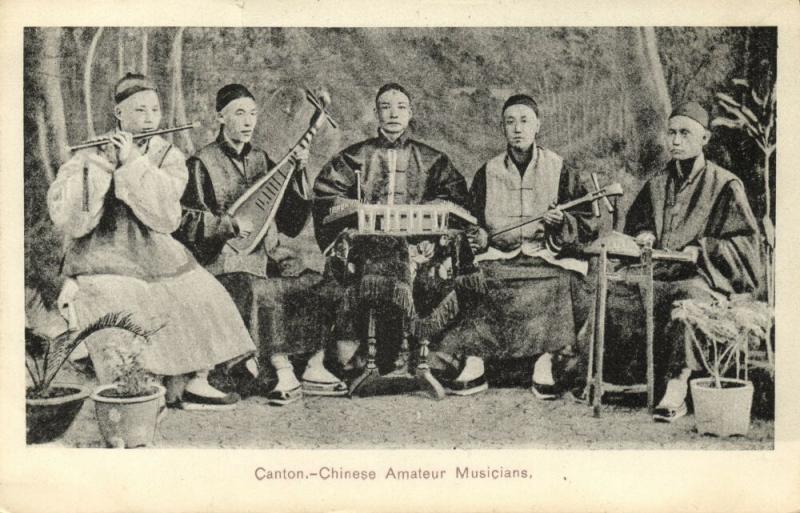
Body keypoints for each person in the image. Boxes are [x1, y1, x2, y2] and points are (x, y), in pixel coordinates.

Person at [48, 73, 256, 410]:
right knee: (119, 297)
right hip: (102, 253)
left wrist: (132, 164)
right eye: (140, 110)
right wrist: (101, 166)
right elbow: (74, 220)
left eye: (155, 110)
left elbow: (166, 218)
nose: (149, 119)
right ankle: (136, 387)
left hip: (156, 252)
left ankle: (196, 382)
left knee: (202, 291)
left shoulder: (167, 155)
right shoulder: (90, 154)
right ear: (119, 114)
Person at [176, 84, 346, 406]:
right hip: (221, 262)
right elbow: (185, 223)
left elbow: (292, 223)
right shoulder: (201, 163)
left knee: (319, 282)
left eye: (253, 114)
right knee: (256, 289)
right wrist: (228, 226)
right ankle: (277, 366)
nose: (248, 121)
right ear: (220, 117)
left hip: (266, 256)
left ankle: (313, 365)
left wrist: (298, 173)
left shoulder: (262, 159)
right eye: (239, 113)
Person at [312, 83, 486, 395]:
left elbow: (455, 199)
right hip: (368, 250)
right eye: (386, 106)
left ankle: (423, 359)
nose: (393, 113)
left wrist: (427, 217)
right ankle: (364, 360)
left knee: (428, 267)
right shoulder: (354, 157)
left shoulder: (432, 159)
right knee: (364, 268)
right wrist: (357, 208)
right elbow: (328, 196)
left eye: (401, 106)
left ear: (410, 113)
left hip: (421, 248)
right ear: (376, 112)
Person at [621, 101, 762, 422]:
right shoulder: (656, 184)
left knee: (688, 303)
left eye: (685, 133)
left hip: (703, 278)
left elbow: (747, 246)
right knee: (617, 294)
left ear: (705, 139)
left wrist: (704, 249)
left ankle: (677, 382)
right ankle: (613, 379)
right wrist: (643, 234)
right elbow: (636, 226)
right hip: (657, 272)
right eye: (671, 133)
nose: (676, 141)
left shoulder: (725, 184)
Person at [465, 94, 598, 399]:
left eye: (525, 121)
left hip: (545, 254)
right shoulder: (488, 171)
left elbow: (586, 221)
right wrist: (481, 235)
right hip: (501, 255)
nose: (517, 128)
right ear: (503, 128)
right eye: (510, 122)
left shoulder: (560, 168)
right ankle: (477, 358)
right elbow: (472, 220)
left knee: (561, 282)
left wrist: (561, 221)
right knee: (479, 280)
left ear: (537, 125)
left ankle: (545, 359)